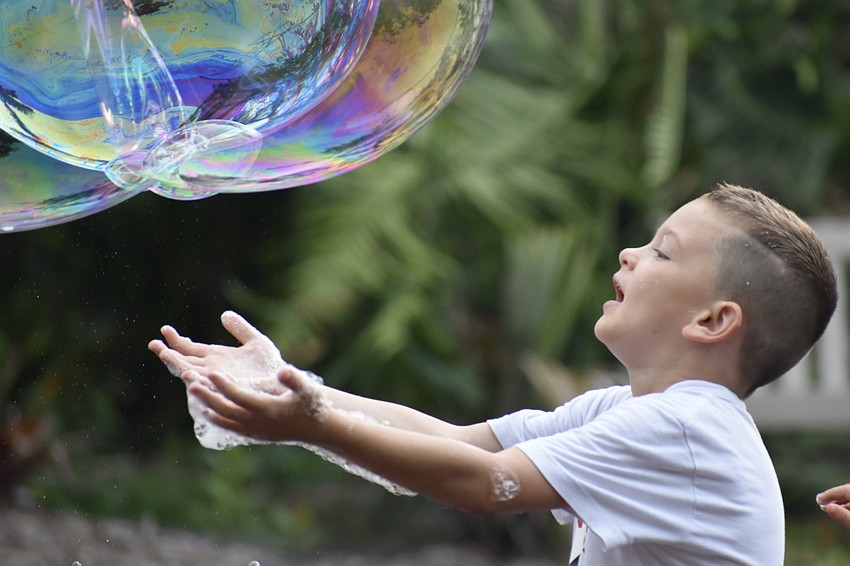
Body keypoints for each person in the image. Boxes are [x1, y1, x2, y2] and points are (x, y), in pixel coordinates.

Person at [149, 183, 838, 565]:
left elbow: (482, 485)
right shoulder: (628, 412)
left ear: (714, 322)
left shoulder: (683, 429)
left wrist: (313, 422)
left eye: (662, 252)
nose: (629, 253)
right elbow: (463, 443)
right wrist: (296, 391)